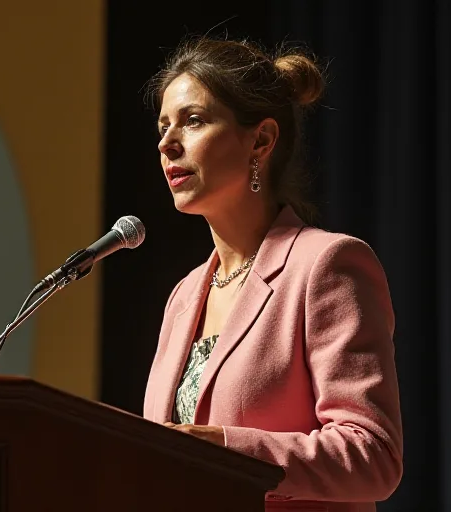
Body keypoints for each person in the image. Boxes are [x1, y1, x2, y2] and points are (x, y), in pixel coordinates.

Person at [142, 35, 403, 511]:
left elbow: (373, 456)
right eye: (163, 126)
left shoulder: (327, 265)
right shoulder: (183, 296)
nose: (167, 143)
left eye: (193, 120)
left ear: (260, 140)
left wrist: (227, 449)